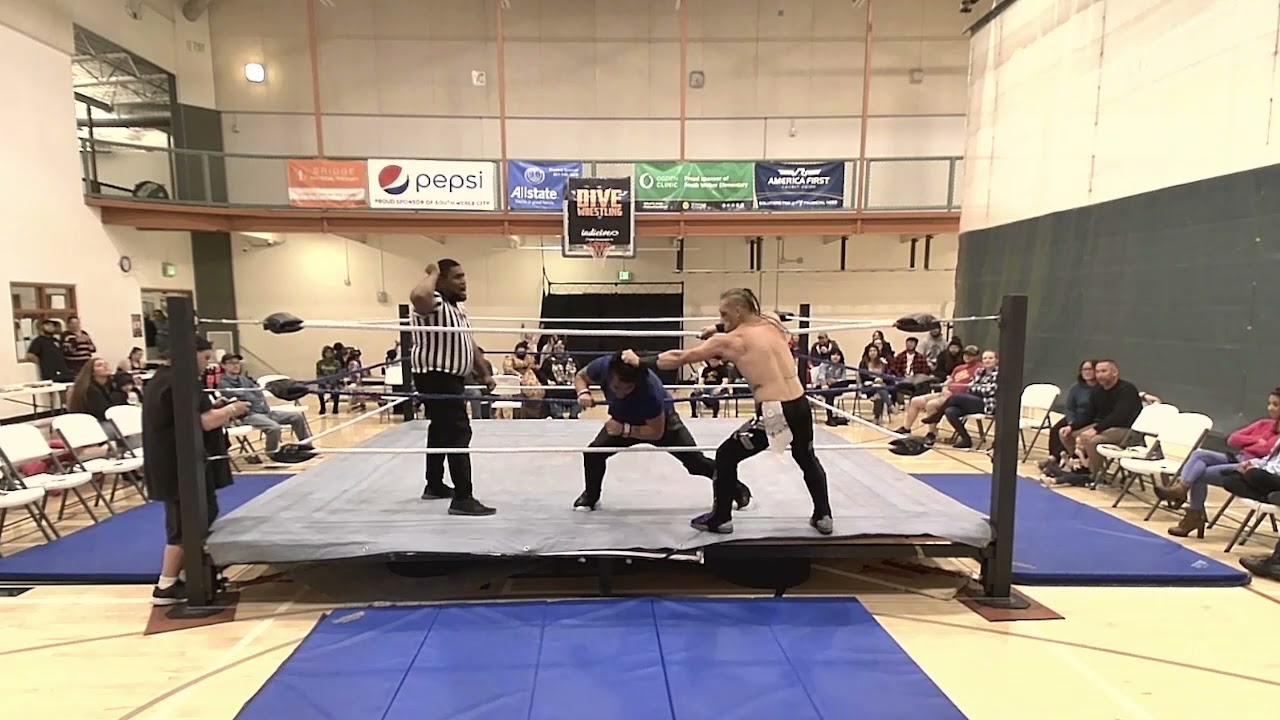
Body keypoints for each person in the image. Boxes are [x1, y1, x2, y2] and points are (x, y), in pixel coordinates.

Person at [621, 287, 833, 535]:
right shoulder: (772, 323)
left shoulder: (730, 341)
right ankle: (824, 515)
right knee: (806, 457)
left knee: (725, 456)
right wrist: (718, 327)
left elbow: (680, 357)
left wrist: (640, 361)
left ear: (738, 311)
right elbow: (766, 314)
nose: (721, 319)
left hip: (774, 411)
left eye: (724, 314)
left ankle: (721, 518)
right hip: (800, 403)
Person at [143, 337, 250, 605]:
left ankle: (184, 576)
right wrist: (232, 409)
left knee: (198, 515)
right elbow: (204, 422)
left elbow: (186, 416)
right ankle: (166, 586)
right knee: (186, 523)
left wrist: (215, 407)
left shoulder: (163, 379)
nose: (207, 364)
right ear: (190, 355)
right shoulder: (181, 381)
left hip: (174, 460)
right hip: (179, 463)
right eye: (205, 358)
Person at [572, 352, 751, 512]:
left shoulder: (650, 392)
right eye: (617, 387)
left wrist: (624, 430)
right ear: (610, 375)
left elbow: (655, 432)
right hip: (622, 417)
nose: (621, 392)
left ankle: (736, 488)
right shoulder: (604, 365)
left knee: (696, 463)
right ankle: (591, 496)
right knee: (594, 453)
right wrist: (583, 392)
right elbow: (580, 376)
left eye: (627, 388)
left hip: (662, 424)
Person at [408, 260, 496, 516]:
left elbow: (468, 341)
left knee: (439, 430)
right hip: (436, 375)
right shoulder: (432, 303)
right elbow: (418, 296)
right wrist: (433, 272)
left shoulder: (456, 308)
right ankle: (462, 498)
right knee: (458, 432)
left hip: (451, 377)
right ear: (441, 282)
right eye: (457, 277)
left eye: (464, 276)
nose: (463, 281)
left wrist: (483, 372)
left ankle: (434, 484)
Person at [1156, 391, 1280, 536]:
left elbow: (1266, 450)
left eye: (1276, 405)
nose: (1270, 408)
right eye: (1269, 403)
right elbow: (1233, 439)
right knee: (1199, 454)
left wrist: (1252, 444)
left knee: (1198, 474)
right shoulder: (1263, 423)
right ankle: (1182, 489)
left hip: (1251, 466)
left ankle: (1193, 513)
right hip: (1238, 457)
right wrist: (1256, 440)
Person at [215, 354, 312, 459]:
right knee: (274, 427)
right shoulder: (223, 384)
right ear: (223, 365)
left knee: (297, 417)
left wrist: (255, 398)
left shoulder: (244, 379)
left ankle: (307, 447)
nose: (236, 365)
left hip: (265, 411)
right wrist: (253, 397)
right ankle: (272, 453)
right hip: (248, 415)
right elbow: (244, 397)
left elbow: (258, 393)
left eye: (237, 363)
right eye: (231, 363)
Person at [1062, 359, 1143, 478]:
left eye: (1104, 371)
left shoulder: (1127, 389)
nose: (1099, 375)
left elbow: (1119, 416)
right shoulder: (1097, 391)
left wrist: (1096, 429)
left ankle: (1096, 476)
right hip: (1105, 426)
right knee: (1065, 433)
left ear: (1115, 372)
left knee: (1093, 440)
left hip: (1127, 429)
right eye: (1097, 372)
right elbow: (1089, 415)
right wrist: (1072, 426)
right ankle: (1081, 465)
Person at [896, 344, 979, 439]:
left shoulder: (979, 369)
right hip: (946, 393)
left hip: (958, 398)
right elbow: (948, 381)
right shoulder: (958, 368)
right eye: (966, 354)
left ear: (976, 356)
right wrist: (945, 389)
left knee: (931, 404)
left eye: (971, 355)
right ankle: (906, 428)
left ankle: (932, 433)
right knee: (915, 401)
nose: (967, 357)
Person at [920, 349, 999, 449]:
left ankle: (937, 416)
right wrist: (978, 388)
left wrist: (976, 388)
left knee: (955, 397)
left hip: (987, 404)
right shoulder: (979, 372)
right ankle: (966, 439)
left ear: (996, 360)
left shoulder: (999, 374)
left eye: (990, 358)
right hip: (974, 400)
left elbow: (989, 391)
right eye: (985, 358)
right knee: (950, 411)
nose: (987, 360)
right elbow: (970, 387)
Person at [1044, 360, 1097, 467]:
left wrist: (1073, 425)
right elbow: (1069, 407)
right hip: (1074, 417)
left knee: (1070, 433)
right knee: (1056, 429)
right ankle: (1054, 460)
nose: (1086, 372)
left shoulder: (1100, 389)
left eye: (1089, 369)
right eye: (1084, 369)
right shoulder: (1076, 387)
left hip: (1089, 419)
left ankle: (1056, 459)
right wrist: (1071, 421)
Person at [67, 357, 125, 430]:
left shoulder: (109, 386)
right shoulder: (90, 390)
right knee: (124, 428)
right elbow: (104, 412)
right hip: (93, 425)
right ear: (92, 372)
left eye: (106, 364)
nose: (105, 366)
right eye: (99, 365)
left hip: (105, 421)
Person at [504, 340, 546, 418]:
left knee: (538, 393)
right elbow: (507, 369)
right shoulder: (510, 358)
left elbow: (536, 367)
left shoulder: (529, 358)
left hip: (529, 379)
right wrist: (518, 375)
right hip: (515, 381)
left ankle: (534, 416)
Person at [540, 339, 579, 419]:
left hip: (571, 390)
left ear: (564, 348)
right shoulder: (548, 361)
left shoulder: (572, 359)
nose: (559, 350)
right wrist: (548, 381)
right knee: (557, 415)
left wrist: (576, 381)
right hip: (555, 390)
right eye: (556, 348)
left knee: (579, 395)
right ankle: (557, 416)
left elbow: (580, 372)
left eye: (561, 348)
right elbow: (541, 373)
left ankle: (574, 416)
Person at [858, 345, 894, 424]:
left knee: (878, 395)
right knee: (880, 390)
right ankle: (890, 405)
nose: (873, 353)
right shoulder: (863, 363)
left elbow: (887, 376)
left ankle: (876, 418)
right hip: (868, 386)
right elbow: (863, 377)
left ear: (878, 352)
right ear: (867, 352)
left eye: (874, 351)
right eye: (870, 351)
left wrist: (881, 379)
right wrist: (874, 380)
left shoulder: (882, 363)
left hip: (881, 385)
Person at [814, 350, 851, 426]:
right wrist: (825, 383)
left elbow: (843, 379)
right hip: (824, 386)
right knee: (830, 394)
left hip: (837, 386)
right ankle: (830, 418)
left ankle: (831, 418)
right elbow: (821, 376)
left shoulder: (842, 366)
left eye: (838, 355)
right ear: (830, 356)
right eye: (833, 355)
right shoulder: (824, 364)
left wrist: (834, 381)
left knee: (844, 384)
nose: (835, 357)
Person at [315, 345, 343, 416]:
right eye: (327, 352)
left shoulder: (337, 363)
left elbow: (338, 375)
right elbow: (319, 375)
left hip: (334, 383)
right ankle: (322, 407)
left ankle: (335, 408)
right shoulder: (319, 363)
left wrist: (332, 383)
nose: (328, 354)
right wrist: (325, 383)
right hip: (323, 383)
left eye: (330, 352)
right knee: (320, 392)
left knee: (336, 392)